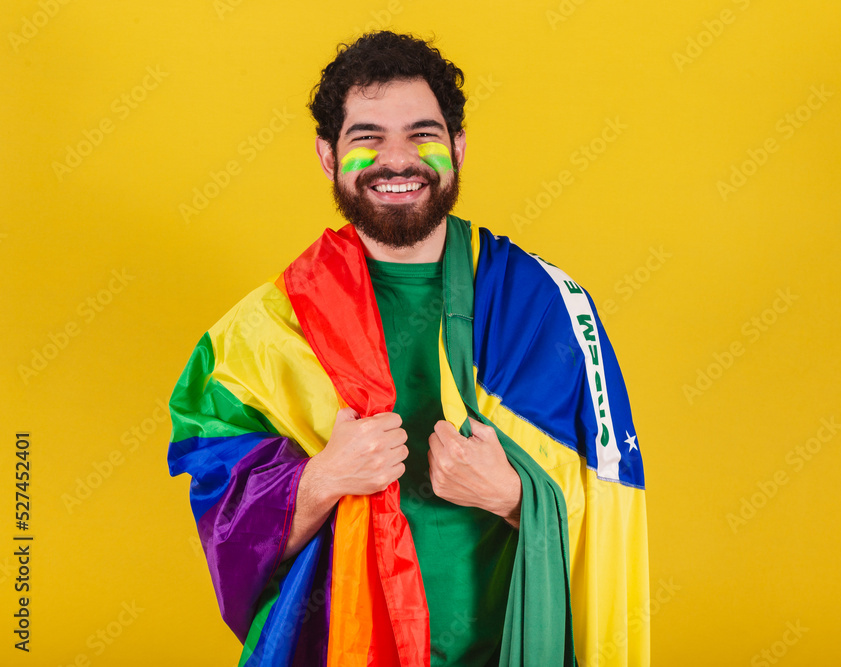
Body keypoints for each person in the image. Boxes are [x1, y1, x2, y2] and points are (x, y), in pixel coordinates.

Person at [168, 30, 648, 667]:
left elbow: (612, 502)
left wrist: (515, 496)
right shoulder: (266, 333)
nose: (398, 160)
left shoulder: (547, 308)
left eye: (422, 134)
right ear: (327, 154)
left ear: (457, 147)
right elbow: (230, 537)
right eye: (367, 138)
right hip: (343, 649)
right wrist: (321, 479)